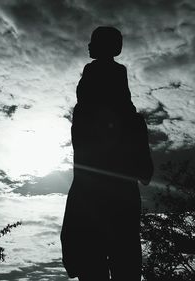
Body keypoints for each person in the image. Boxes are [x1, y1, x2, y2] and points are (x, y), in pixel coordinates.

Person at [61, 26, 153, 281]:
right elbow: (145, 172)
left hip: (96, 194)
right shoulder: (126, 121)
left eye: (93, 42)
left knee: (102, 257)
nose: (89, 47)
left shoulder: (92, 117)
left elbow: (143, 170)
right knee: (116, 256)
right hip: (109, 192)